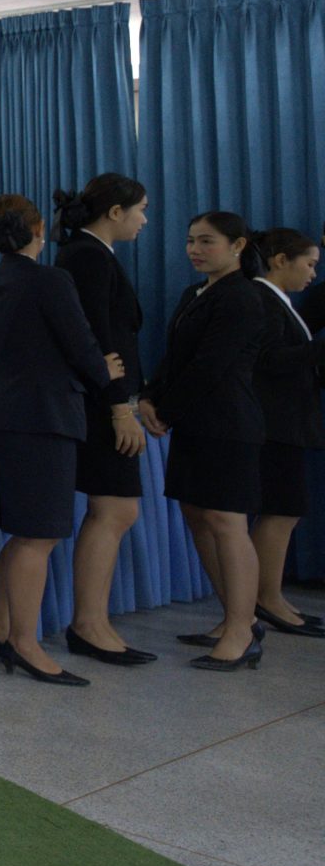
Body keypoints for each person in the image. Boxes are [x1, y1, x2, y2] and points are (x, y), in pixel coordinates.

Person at [0, 194, 116, 687]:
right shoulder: (51, 280)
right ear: (37, 231)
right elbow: (81, 344)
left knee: (26, 531)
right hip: (44, 416)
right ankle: (25, 644)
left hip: (2, 414)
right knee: (40, 535)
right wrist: (106, 376)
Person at [137, 212, 270, 672]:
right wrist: (149, 396)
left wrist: (166, 410)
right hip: (195, 423)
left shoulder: (243, 296)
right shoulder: (195, 293)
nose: (195, 249)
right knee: (198, 515)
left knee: (227, 521)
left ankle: (242, 629)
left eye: (207, 241)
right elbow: (176, 357)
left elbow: (211, 365)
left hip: (228, 425)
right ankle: (234, 616)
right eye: (191, 240)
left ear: (237, 245)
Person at [51, 174, 155, 664]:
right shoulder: (88, 257)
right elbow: (96, 338)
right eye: (141, 209)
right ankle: (89, 624)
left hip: (107, 399)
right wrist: (119, 406)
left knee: (116, 510)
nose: (144, 220)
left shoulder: (92, 254)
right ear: (115, 211)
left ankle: (93, 621)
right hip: (100, 404)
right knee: (114, 509)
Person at [248, 227, 325, 639]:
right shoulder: (263, 299)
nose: (313, 274)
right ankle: (266, 597)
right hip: (275, 424)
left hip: (288, 422)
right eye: (309, 264)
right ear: (281, 260)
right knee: (280, 510)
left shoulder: (281, 302)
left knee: (285, 510)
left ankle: (270, 594)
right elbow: (271, 360)